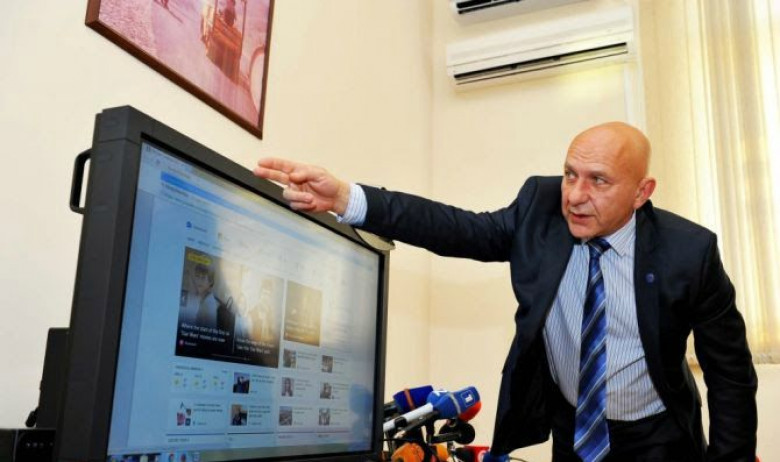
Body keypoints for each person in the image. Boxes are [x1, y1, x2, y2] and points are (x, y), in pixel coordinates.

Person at [253, 122, 757, 461]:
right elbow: (457, 228)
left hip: (658, 436)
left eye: (599, 181)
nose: (576, 196)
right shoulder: (540, 206)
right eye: (570, 174)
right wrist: (349, 199)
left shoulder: (690, 252)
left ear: (642, 192)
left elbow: (730, 373)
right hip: (576, 433)